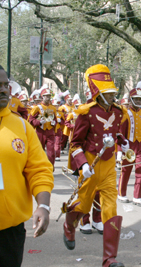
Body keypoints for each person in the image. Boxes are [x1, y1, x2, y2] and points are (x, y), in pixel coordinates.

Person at [63, 64, 128, 267]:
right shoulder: (85, 112)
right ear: (97, 93)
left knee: (111, 207)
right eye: (107, 93)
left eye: (112, 93)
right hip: (91, 162)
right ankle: (69, 225)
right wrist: (82, 165)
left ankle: (109, 258)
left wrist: (122, 141)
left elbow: (113, 131)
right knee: (83, 205)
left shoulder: (118, 112)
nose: (111, 97)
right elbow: (75, 144)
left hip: (108, 164)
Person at [0, 68, 54, 267]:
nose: (4, 90)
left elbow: (39, 170)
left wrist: (44, 205)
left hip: (9, 234)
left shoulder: (22, 127)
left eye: (6, 85)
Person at [117, 81, 141, 207]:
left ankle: (137, 196)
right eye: (135, 99)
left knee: (140, 170)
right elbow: (120, 132)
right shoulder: (125, 113)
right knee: (126, 170)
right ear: (131, 100)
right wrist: (120, 150)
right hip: (128, 145)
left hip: (140, 145)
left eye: (140, 99)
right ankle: (122, 193)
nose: (138, 101)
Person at [29, 85, 58, 166]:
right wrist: (38, 122)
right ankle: (39, 166)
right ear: (42, 97)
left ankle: (50, 167)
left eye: (49, 96)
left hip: (50, 131)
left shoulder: (53, 108)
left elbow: (55, 119)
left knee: (51, 152)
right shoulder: (37, 108)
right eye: (46, 96)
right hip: (40, 131)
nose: (48, 98)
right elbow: (31, 120)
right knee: (39, 150)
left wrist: (54, 123)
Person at [53, 94, 64, 161]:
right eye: (55, 105)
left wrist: (60, 122)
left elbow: (64, 122)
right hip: (51, 129)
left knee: (57, 143)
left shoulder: (61, 113)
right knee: (51, 144)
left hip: (58, 129)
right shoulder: (50, 111)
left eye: (57, 105)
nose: (56, 106)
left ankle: (57, 155)